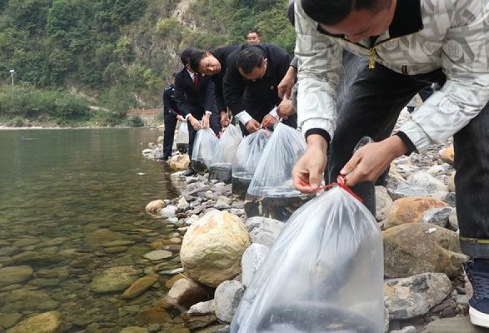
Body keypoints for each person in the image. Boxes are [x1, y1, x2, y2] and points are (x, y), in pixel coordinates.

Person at [291, 0, 489, 328]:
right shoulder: (309, 8)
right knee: (347, 140)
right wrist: (315, 142)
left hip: (470, 58)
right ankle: (353, 252)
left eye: (363, 30)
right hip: (389, 62)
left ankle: (484, 261)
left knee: (481, 144)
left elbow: (471, 84)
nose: (352, 41)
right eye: (342, 37)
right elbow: (316, 72)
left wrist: (397, 145)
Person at [223, 44, 297, 135]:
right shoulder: (232, 61)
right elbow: (230, 93)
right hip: (253, 96)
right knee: (252, 132)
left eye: (257, 77)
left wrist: (275, 113)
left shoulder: (280, 58)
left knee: (288, 131)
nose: (254, 80)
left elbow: (294, 89)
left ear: (265, 63)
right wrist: (246, 119)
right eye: (249, 78)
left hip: (282, 95)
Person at [174, 48, 221, 177]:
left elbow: (211, 91)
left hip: (209, 106)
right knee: (193, 137)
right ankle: (193, 166)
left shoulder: (205, 71)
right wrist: (190, 117)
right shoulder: (180, 77)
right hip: (192, 108)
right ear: (187, 65)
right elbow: (179, 99)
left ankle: (217, 164)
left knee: (215, 131)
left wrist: (208, 114)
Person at [188, 45, 249, 128]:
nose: (212, 69)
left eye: (209, 64)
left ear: (208, 54)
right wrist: (223, 112)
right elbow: (218, 91)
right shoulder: (214, 75)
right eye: (206, 71)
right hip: (243, 104)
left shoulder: (232, 55)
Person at [158, 73, 184, 161]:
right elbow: (167, 106)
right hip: (170, 112)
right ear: (173, 80)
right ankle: (166, 154)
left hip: (183, 110)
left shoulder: (185, 89)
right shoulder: (167, 91)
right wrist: (176, 115)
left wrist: (185, 113)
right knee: (168, 132)